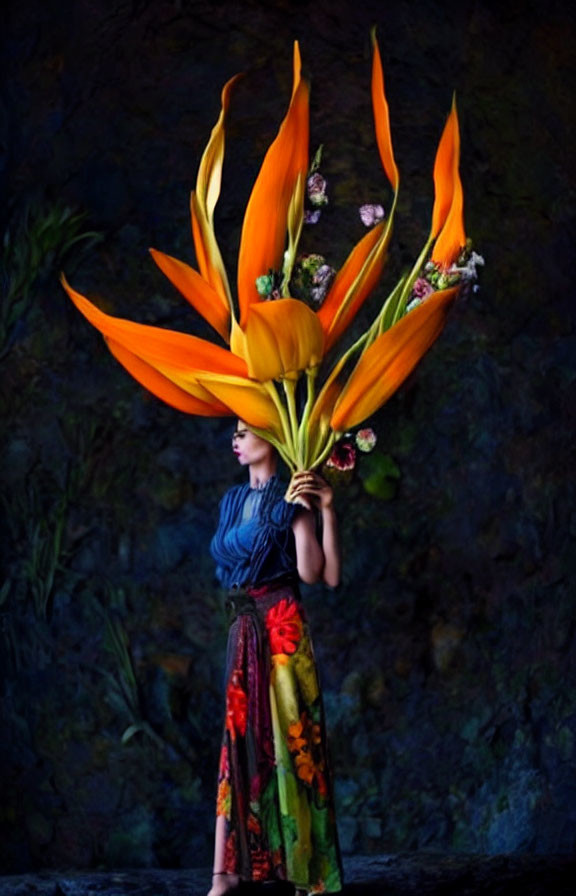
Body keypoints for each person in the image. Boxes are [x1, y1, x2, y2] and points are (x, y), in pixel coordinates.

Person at [207, 421, 343, 896]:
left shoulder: (294, 494)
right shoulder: (230, 501)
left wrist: (322, 509)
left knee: (293, 741)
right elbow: (227, 560)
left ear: (271, 436)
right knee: (237, 741)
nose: (236, 439)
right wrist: (274, 520)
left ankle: (307, 871)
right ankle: (224, 873)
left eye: (246, 431)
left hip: (282, 624)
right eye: (234, 433)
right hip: (243, 626)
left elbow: (319, 575)